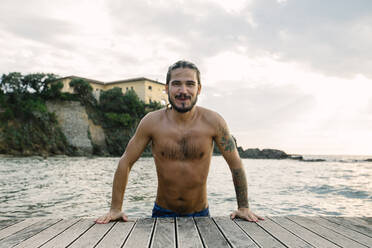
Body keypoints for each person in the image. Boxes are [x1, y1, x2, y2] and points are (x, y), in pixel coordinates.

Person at [95, 60, 263, 223]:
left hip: (201, 214)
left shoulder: (214, 122)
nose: (183, 90)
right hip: (162, 213)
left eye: (190, 84)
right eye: (176, 84)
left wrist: (243, 207)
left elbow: (235, 164)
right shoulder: (151, 122)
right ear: (167, 88)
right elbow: (126, 162)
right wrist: (115, 208)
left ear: (199, 89)